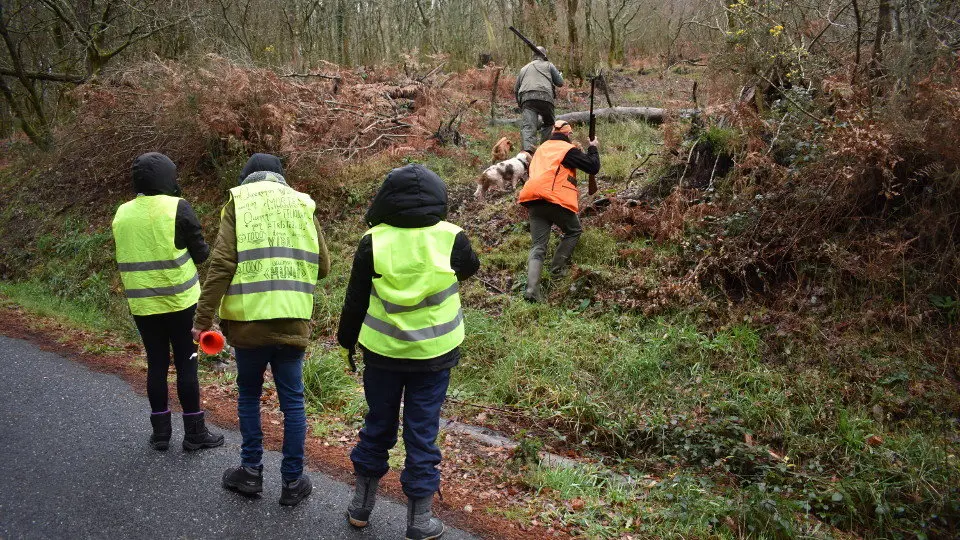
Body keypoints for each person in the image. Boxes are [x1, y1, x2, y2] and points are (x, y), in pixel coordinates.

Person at [337, 164, 480, 540]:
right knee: (421, 432)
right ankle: (418, 521)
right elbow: (470, 269)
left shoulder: (374, 240)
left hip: (382, 354)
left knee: (378, 425)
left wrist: (346, 340)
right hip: (435, 355)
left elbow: (355, 298)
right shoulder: (452, 237)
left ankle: (361, 508)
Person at [192, 153, 330, 507]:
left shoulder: (239, 200)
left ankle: (251, 472)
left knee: (250, 396)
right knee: (293, 403)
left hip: (249, 325)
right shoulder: (303, 204)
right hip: (292, 320)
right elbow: (324, 266)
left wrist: (203, 319)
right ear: (281, 178)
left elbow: (222, 262)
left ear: (246, 178)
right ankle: (293, 481)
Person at [111, 152, 224, 452]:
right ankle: (194, 433)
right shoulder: (178, 207)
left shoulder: (122, 213)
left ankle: (161, 433)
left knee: (156, 363)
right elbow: (201, 255)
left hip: (143, 305)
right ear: (166, 177)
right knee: (188, 364)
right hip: (181, 301)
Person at [517, 120, 601, 302]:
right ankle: (557, 270)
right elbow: (593, 167)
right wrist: (593, 148)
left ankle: (531, 290)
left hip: (533, 200)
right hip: (554, 199)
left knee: (538, 246)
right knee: (574, 230)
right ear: (568, 135)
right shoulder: (566, 149)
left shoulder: (541, 149)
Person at [514, 46, 564, 153]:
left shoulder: (524, 68)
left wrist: (520, 104)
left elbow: (516, 89)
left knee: (528, 128)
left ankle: (528, 154)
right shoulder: (548, 65)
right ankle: (544, 150)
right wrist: (560, 75)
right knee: (549, 123)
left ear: (533, 56)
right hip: (545, 97)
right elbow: (560, 82)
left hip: (527, 99)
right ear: (544, 56)